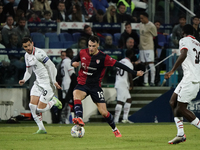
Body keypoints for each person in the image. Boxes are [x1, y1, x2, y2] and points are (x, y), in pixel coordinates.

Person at [71, 35, 143, 137]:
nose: (90, 48)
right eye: (89, 45)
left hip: (95, 87)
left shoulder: (104, 57)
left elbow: (119, 64)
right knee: (76, 95)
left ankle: (115, 129)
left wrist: (134, 72)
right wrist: (73, 63)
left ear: (98, 45)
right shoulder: (83, 52)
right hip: (82, 84)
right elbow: (74, 59)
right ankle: (79, 119)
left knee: (104, 112)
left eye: (93, 46)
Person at [164, 24, 200, 144]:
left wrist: (172, 70)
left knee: (181, 108)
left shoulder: (184, 40)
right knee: (172, 102)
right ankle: (180, 134)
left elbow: (183, 54)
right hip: (188, 78)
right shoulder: (198, 44)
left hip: (191, 79)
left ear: (184, 32)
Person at [19, 37, 62, 134]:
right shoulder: (27, 55)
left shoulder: (40, 53)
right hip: (38, 83)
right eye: (25, 46)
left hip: (47, 84)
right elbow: (29, 71)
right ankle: (41, 128)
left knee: (40, 109)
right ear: (23, 47)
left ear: (32, 43)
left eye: (29, 45)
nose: (28, 48)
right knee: (32, 106)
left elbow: (51, 66)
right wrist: (24, 79)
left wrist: (54, 80)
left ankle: (54, 101)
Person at [114, 49, 134, 123]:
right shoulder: (129, 63)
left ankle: (125, 118)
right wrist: (131, 84)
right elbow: (129, 74)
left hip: (119, 82)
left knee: (129, 100)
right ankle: (115, 120)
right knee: (120, 101)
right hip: (123, 84)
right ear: (131, 55)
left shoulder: (120, 61)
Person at [139, 12, 157, 86]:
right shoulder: (140, 24)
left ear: (146, 18)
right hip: (141, 48)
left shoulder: (152, 26)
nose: (141, 19)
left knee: (151, 64)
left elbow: (155, 35)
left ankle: (152, 81)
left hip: (149, 47)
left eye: (142, 18)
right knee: (144, 65)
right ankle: (145, 81)